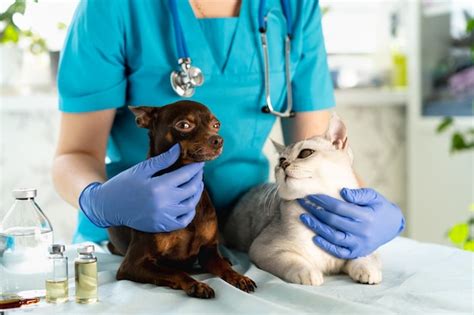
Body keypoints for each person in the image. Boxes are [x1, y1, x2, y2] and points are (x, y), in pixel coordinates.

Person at [52, 0, 404, 260]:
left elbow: (315, 152)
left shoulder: (293, 7)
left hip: (250, 236)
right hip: (136, 238)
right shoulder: (113, 7)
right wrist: (98, 201)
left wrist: (367, 211)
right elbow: (75, 154)